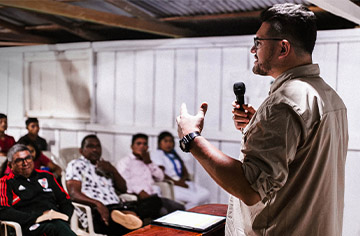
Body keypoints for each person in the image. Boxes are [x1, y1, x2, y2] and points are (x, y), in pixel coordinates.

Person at [176, 3, 348, 236]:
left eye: (258, 42)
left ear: (283, 48)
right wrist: (256, 126)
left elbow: (250, 188)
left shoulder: (282, 104)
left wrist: (191, 138)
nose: (252, 50)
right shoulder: (330, 98)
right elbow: (301, 158)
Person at [65, 134, 142, 236]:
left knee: (153, 203)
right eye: (90, 146)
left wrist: (113, 170)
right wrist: (98, 204)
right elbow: (74, 194)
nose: (95, 149)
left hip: (117, 205)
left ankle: (126, 216)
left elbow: (123, 188)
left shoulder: (105, 166)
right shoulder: (76, 165)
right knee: (135, 225)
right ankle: (128, 217)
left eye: (98, 146)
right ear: (81, 150)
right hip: (96, 211)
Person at [0, 144, 76, 236]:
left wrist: (64, 217)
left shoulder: (47, 176)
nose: (25, 163)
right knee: (54, 228)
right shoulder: (5, 182)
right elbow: (3, 210)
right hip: (28, 225)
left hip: (55, 221)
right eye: (19, 160)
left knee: (58, 226)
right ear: (10, 165)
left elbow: (65, 201)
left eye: (28, 158)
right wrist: (36, 217)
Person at [116, 133, 185, 216]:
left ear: (147, 147)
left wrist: (149, 163)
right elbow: (124, 182)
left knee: (180, 208)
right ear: (132, 146)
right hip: (139, 199)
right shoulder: (125, 162)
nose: (142, 146)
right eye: (138, 143)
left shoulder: (147, 161)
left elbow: (160, 177)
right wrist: (139, 191)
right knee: (164, 213)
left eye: (145, 144)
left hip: (155, 198)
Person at [151, 131, 210, 209]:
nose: (168, 144)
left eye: (170, 141)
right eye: (165, 141)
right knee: (194, 199)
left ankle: (197, 213)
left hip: (181, 182)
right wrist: (178, 183)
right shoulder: (157, 154)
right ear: (159, 143)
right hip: (171, 184)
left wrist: (183, 179)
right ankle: (187, 216)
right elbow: (160, 173)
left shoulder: (174, 154)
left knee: (206, 193)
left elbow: (184, 169)